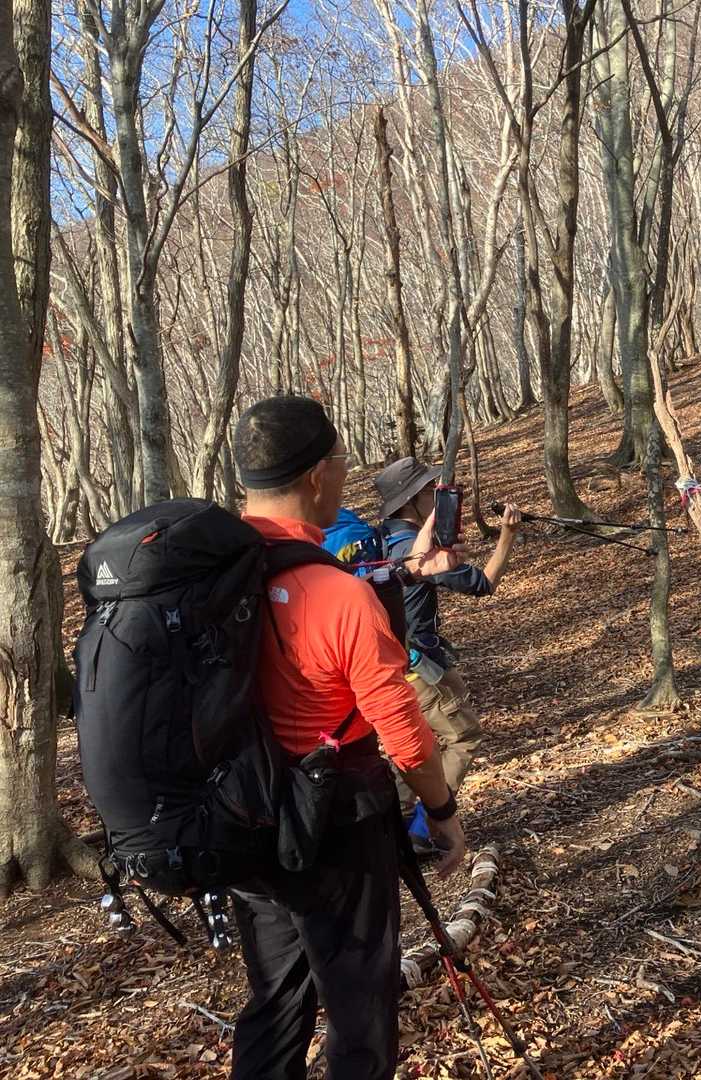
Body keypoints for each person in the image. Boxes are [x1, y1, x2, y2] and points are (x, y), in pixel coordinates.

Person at [230, 396, 467, 1080]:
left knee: (276, 1001)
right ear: (316, 476)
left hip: (245, 813)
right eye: (340, 460)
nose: (344, 473)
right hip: (338, 821)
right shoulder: (338, 598)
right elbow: (405, 735)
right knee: (360, 1005)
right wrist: (443, 813)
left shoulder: (222, 570)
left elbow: (301, 596)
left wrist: (404, 572)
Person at [372, 458, 522, 811]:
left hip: (396, 662)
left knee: (414, 745)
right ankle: (428, 822)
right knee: (464, 736)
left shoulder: (382, 538)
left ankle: (402, 820)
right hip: (415, 665)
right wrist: (507, 535)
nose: (437, 498)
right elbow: (483, 583)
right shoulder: (412, 548)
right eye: (430, 491)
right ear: (410, 502)